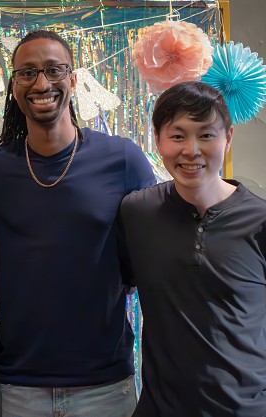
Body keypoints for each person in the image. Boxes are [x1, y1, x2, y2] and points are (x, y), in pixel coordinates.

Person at [0, 30, 156, 416]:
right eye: (27, 73)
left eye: (53, 70)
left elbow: (161, 240)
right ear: (14, 87)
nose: (41, 83)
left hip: (105, 387)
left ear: (73, 80)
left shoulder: (122, 159)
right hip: (19, 388)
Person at [118, 81, 266, 416]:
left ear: (228, 138)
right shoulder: (136, 212)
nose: (192, 150)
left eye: (206, 135)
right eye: (178, 135)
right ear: (158, 140)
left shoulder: (260, 221)